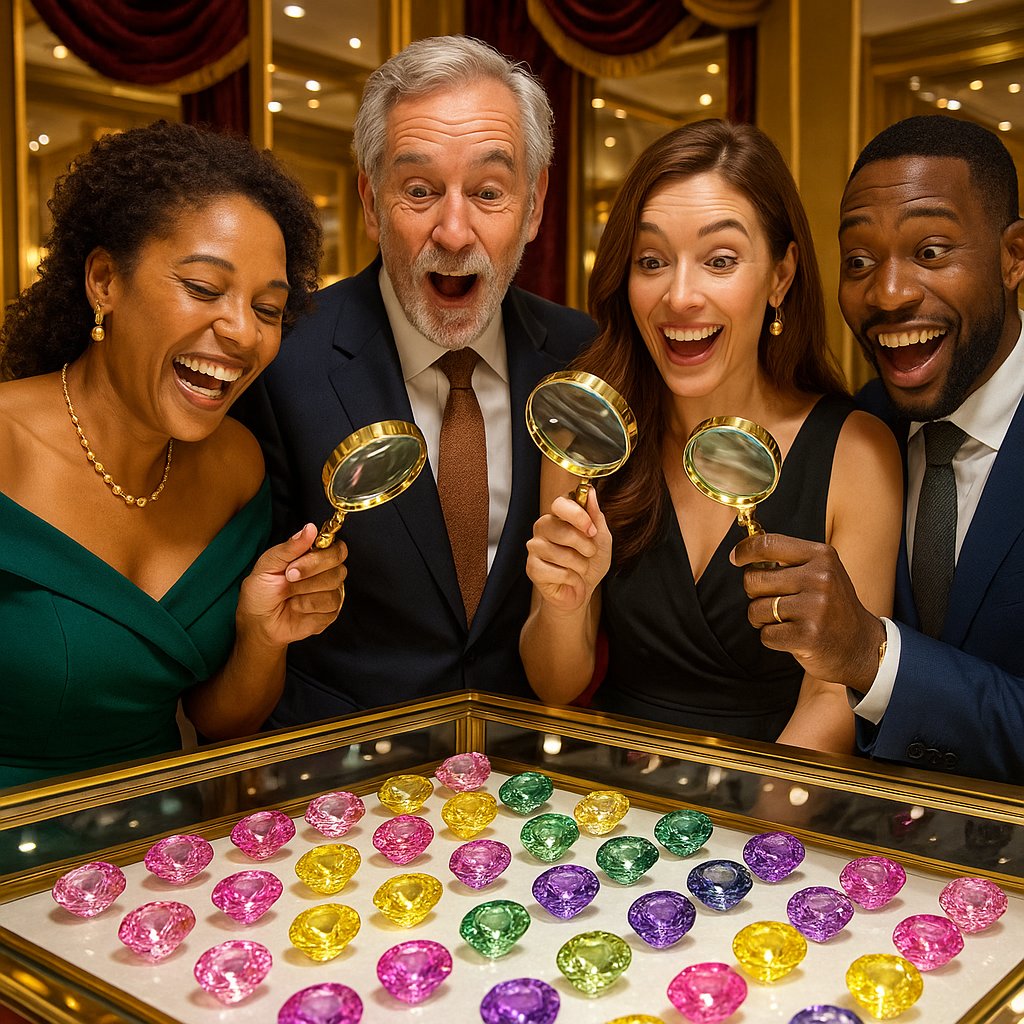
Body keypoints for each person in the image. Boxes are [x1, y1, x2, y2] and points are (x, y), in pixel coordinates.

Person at [236, 36, 595, 723]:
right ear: (372, 203)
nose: (454, 231)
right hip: (343, 783)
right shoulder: (285, 360)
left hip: (523, 784)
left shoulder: (582, 357)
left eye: (489, 192)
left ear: (535, 204)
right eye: (421, 190)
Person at [520, 120, 902, 753]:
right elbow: (556, 686)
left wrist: (737, 841)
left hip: (775, 808)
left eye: (720, 260)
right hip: (613, 807)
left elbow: (831, 704)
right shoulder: (586, 434)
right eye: (652, 261)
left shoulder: (855, 451)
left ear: (781, 276)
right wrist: (563, 603)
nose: (680, 295)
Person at [0, 121, 346, 788]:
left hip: (153, 853)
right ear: (104, 280)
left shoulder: (235, 466)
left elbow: (221, 722)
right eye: (204, 288)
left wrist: (263, 635)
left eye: (268, 310)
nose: (243, 331)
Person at [732, 115, 1024, 783]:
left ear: (1014, 256)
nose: (887, 293)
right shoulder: (855, 429)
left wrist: (872, 655)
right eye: (860, 261)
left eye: (931, 252)